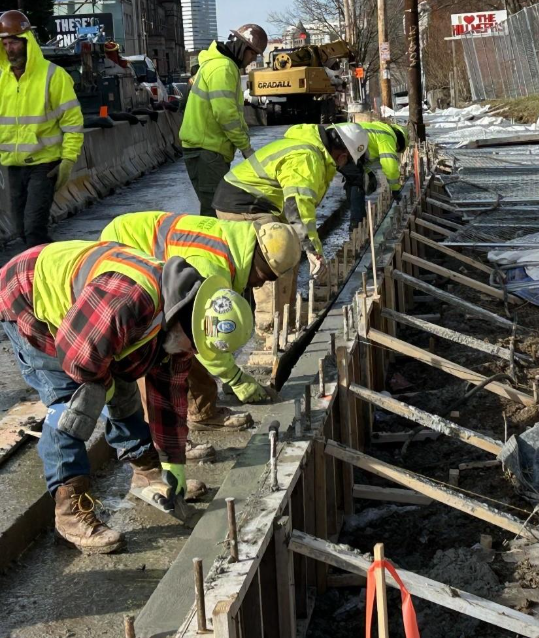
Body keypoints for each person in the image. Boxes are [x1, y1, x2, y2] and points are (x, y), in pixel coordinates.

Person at [0, 240, 254, 553]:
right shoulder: (128, 299)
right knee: (74, 403)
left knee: (120, 386)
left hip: (89, 320)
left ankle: (146, 473)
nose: (192, 352)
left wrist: (174, 470)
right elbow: (78, 359)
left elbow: (169, 400)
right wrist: (110, 393)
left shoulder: (181, 321)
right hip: (27, 295)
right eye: (194, 344)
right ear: (188, 320)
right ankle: (69, 512)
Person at [100, 212, 300, 431]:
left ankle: (190, 413)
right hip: (122, 250)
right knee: (167, 340)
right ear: (258, 263)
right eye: (264, 277)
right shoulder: (209, 268)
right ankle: (189, 420)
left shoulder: (236, 240)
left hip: (129, 235)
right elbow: (200, 336)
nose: (261, 284)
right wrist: (235, 378)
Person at [212, 123, 369, 326]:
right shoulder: (308, 158)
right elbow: (298, 207)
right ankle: (270, 329)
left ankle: (288, 317)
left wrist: (303, 245)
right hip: (245, 204)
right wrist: (313, 250)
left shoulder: (309, 148)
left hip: (253, 201)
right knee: (277, 259)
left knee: (291, 252)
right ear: (343, 155)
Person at [0, 10, 84, 247]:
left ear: (27, 41)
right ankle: (44, 270)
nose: (9, 49)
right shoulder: (1, 79)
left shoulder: (54, 76)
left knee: (34, 228)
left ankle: (42, 278)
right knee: (22, 230)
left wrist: (67, 159)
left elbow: (73, 123)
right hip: (14, 165)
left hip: (44, 164)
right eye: (5, 43)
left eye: (14, 42)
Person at [180, 24, 268, 217]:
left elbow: (233, 112)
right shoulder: (223, 68)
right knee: (215, 210)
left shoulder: (219, 64)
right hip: (208, 149)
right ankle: (210, 247)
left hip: (207, 148)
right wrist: (246, 148)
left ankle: (212, 246)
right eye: (253, 54)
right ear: (242, 48)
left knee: (215, 206)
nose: (253, 59)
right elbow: (226, 115)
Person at [358, 121, 408, 199]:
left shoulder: (376, 132)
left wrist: (369, 173)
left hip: (340, 139)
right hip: (342, 143)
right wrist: (395, 189)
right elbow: (390, 166)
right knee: (355, 186)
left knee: (353, 182)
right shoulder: (387, 137)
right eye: (397, 148)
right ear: (399, 141)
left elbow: (361, 158)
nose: (394, 149)